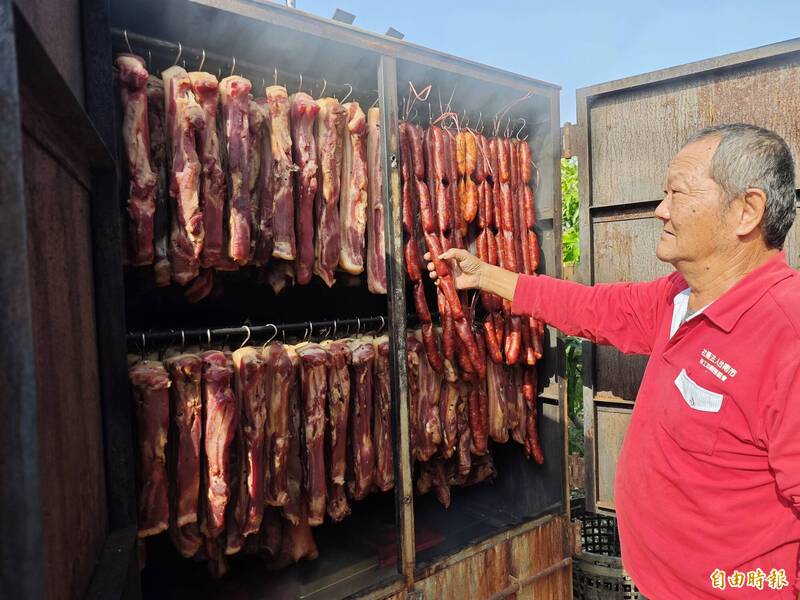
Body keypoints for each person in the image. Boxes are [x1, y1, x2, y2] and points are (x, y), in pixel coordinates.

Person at [426, 124, 800, 599]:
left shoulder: (787, 335)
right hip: (655, 583)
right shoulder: (680, 298)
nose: (660, 210)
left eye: (677, 193)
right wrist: (483, 274)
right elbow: (590, 309)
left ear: (746, 210)